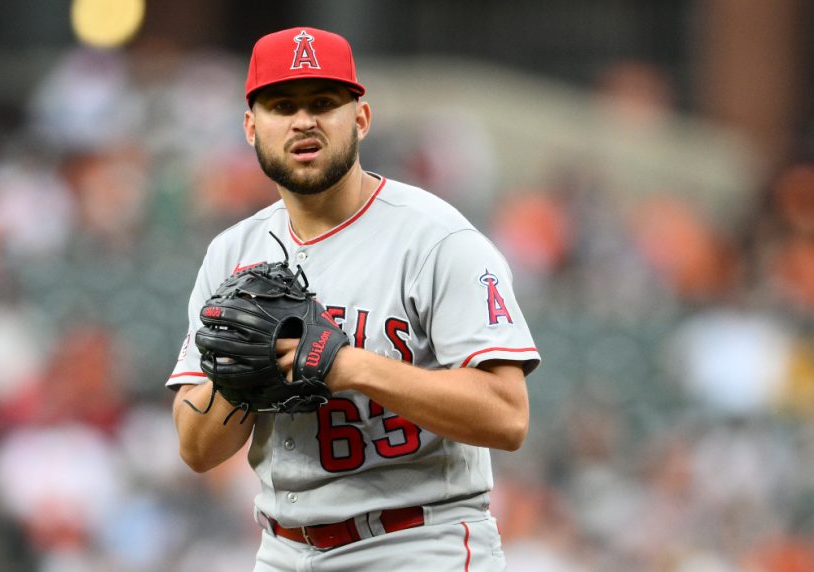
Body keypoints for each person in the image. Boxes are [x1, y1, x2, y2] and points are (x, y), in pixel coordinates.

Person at [168, 26, 540, 571]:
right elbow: (197, 450)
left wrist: (351, 366)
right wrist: (239, 377)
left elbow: (508, 418)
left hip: (416, 543)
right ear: (251, 127)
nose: (302, 121)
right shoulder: (230, 254)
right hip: (283, 551)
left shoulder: (436, 239)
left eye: (323, 102)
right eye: (281, 105)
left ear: (360, 118)